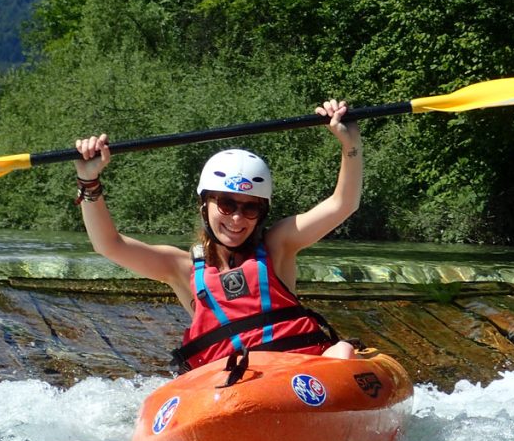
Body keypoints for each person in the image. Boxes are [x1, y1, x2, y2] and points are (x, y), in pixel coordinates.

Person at [74, 99, 362, 373]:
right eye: (226, 205)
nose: (236, 219)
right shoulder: (181, 268)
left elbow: (342, 204)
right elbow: (108, 245)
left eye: (250, 208)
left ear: (262, 212)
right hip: (230, 389)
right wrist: (89, 181)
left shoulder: (279, 245)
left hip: (296, 377)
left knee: (341, 353)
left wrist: (350, 145)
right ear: (205, 204)